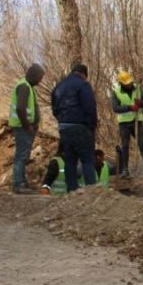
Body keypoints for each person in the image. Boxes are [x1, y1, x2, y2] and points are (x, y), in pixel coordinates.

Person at [51, 64, 97, 192]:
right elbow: (90, 107)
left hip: (64, 127)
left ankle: (72, 191)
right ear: (83, 74)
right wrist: (92, 127)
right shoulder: (83, 85)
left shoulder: (58, 86)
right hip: (80, 126)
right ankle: (92, 192)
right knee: (87, 159)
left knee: (70, 161)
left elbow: (54, 109)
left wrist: (62, 121)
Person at [111, 70, 143, 177]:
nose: (129, 85)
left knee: (142, 145)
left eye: (130, 82)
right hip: (124, 122)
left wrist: (141, 103)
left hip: (137, 120)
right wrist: (130, 107)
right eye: (126, 84)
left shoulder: (138, 88)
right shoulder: (116, 91)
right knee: (125, 146)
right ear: (121, 83)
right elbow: (115, 108)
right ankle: (125, 170)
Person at [8, 63, 45, 194]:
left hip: (26, 127)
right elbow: (20, 108)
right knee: (21, 155)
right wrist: (27, 125)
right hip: (22, 127)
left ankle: (22, 182)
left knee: (23, 155)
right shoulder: (24, 86)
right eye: (40, 78)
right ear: (34, 75)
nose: (40, 81)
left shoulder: (28, 86)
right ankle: (18, 184)